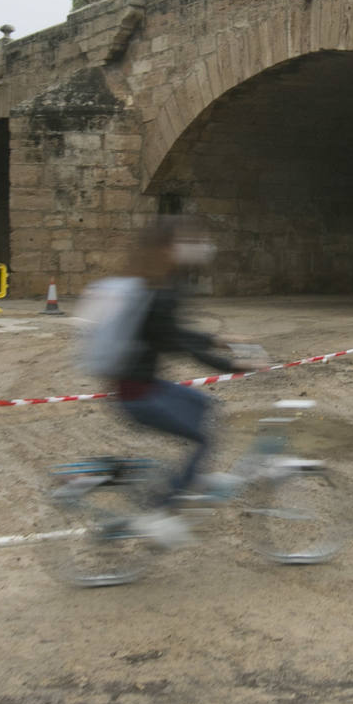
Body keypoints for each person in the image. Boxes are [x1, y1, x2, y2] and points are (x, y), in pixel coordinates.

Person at [109, 219, 258, 548]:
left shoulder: (154, 284)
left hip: (142, 384)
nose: (201, 248)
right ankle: (161, 514)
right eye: (190, 241)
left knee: (207, 406)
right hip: (138, 395)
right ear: (167, 249)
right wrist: (232, 364)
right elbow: (179, 344)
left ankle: (191, 481)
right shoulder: (158, 292)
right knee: (203, 439)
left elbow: (173, 336)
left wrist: (218, 339)